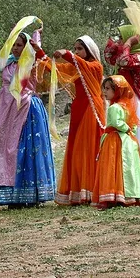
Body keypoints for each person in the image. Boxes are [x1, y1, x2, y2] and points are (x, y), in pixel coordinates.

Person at [0, 26, 56, 208]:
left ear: (26, 47)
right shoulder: (7, 62)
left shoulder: (32, 62)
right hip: (6, 110)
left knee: (26, 149)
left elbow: (48, 67)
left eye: (19, 45)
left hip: (26, 109)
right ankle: (10, 195)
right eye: (13, 45)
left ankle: (30, 194)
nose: (15, 48)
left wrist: (37, 41)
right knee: (5, 149)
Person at [34, 33, 105, 205]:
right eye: (75, 49)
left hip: (91, 109)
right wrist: (40, 52)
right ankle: (78, 191)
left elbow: (78, 62)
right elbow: (56, 69)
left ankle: (91, 190)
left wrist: (67, 53)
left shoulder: (95, 66)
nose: (77, 52)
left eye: (80, 48)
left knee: (88, 148)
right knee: (76, 149)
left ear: (89, 50)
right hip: (78, 109)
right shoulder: (76, 68)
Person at [104, 25, 140, 199]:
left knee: (137, 141)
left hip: (133, 104)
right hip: (123, 102)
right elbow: (109, 56)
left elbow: (122, 61)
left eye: (123, 38)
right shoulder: (127, 54)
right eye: (120, 39)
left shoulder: (139, 57)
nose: (120, 42)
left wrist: (129, 42)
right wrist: (120, 43)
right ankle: (126, 182)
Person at [92, 75, 140, 209]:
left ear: (117, 90)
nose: (105, 92)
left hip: (115, 140)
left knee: (114, 166)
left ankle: (116, 194)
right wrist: (129, 131)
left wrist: (124, 128)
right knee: (128, 167)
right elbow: (134, 125)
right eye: (104, 89)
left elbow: (115, 122)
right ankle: (131, 193)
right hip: (127, 140)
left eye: (108, 89)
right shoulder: (127, 107)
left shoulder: (114, 108)